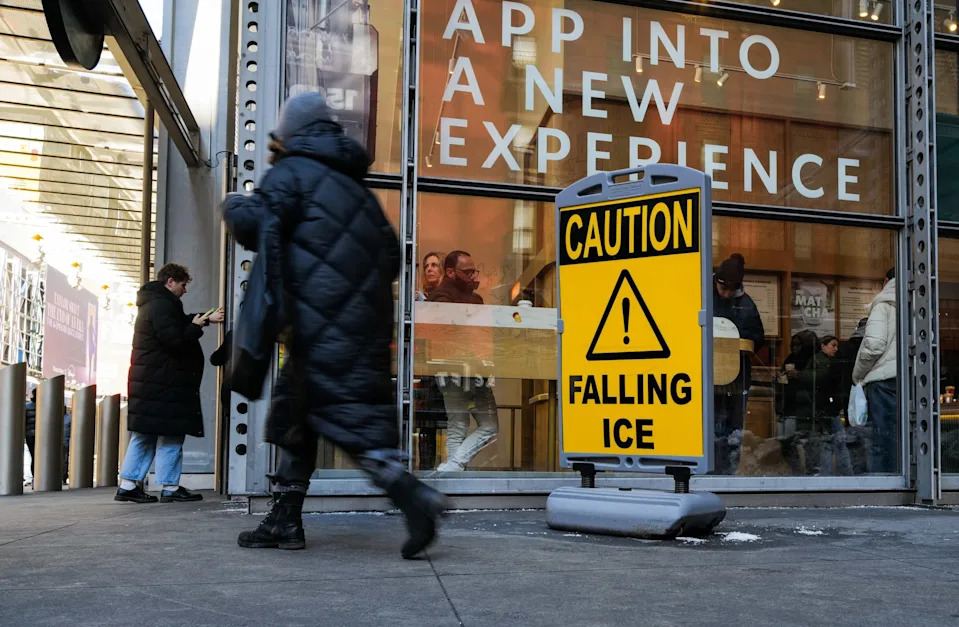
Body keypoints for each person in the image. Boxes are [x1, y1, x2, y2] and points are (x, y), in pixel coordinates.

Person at [224, 91, 447, 558]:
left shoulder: (291, 173)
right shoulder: (359, 192)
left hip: (318, 324)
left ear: (290, 133)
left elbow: (258, 223)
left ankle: (413, 493)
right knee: (297, 417)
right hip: (361, 324)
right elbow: (391, 256)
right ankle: (285, 519)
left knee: (346, 420)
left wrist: (232, 205)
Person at [115, 263, 224, 503]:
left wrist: (204, 318)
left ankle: (131, 484)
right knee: (167, 435)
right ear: (171, 281)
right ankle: (167, 487)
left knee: (148, 433)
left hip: (154, 383)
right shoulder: (162, 305)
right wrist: (196, 326)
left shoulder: (156, 303)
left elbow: (174, 324)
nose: (185, 290)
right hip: (163, 383)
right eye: (183, 285)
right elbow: (174, 339)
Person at [428, 251, 499, 471]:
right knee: (475, 426)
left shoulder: (472, 298)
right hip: (455, 369)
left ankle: (452, 468)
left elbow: (480, 334)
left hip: (472, 368)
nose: (472, 276)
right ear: (450, 272)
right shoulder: (441, 296)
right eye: (467, 272)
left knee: (472, 426)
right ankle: (454, 469)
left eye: (473, 271)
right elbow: (451, 331)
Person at [712, 253, 764, 474]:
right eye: (722, 288)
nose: (725, 294)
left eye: (730, 290)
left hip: (737, 374)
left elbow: (757, 337)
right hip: (712, 375)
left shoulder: (747, 305)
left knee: (733, 428)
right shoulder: (704, 296)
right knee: (713, 424)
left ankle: (729, 470)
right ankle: (713, 468)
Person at [853, 267, 898, 473]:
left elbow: (873, 345)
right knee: (906, 438)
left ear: (885, 280)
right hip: (912, 382)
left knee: (880, 439)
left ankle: (883, 485)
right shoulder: (919, 305)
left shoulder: (883, 305)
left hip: (882, 382)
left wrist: (859, 376)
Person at [24, 388, 36, 480]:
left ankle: (34, 479)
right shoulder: (45, 406)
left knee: (33, 456)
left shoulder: (26, 407)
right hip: (43, 437)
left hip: (30, 436)